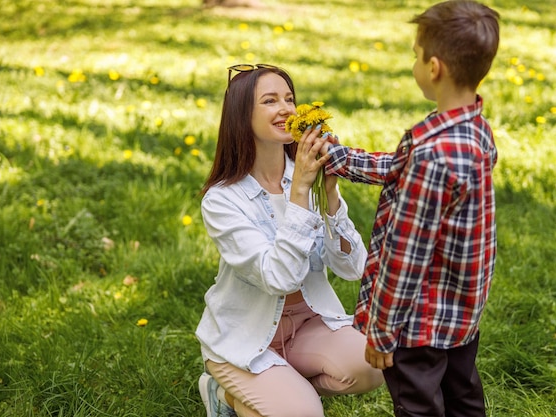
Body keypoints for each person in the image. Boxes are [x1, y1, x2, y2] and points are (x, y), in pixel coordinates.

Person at [321, 1, 500, 416]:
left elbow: (405, 256)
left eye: (415, 55)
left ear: (433, 67)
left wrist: (382, 333)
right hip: (460, 312)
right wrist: (342, 158)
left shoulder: (434, 157)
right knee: (463, 397)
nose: (414, 63)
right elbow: (400, 167)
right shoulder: (471, 130)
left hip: (417, 322)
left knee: (418, 406)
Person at [195, 64, 383, 417]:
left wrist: (329, 194)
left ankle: (280, 390)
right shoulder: (222, 200)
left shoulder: (306, 176)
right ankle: (229, 394)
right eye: (269, 100)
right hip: (245, 337)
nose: (286, 109)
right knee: (303, 414)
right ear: (241, 116)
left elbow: (353, 266)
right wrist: (299, 191)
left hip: (307, 323)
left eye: (289, 98)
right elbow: (278, 278)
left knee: (370, 365)